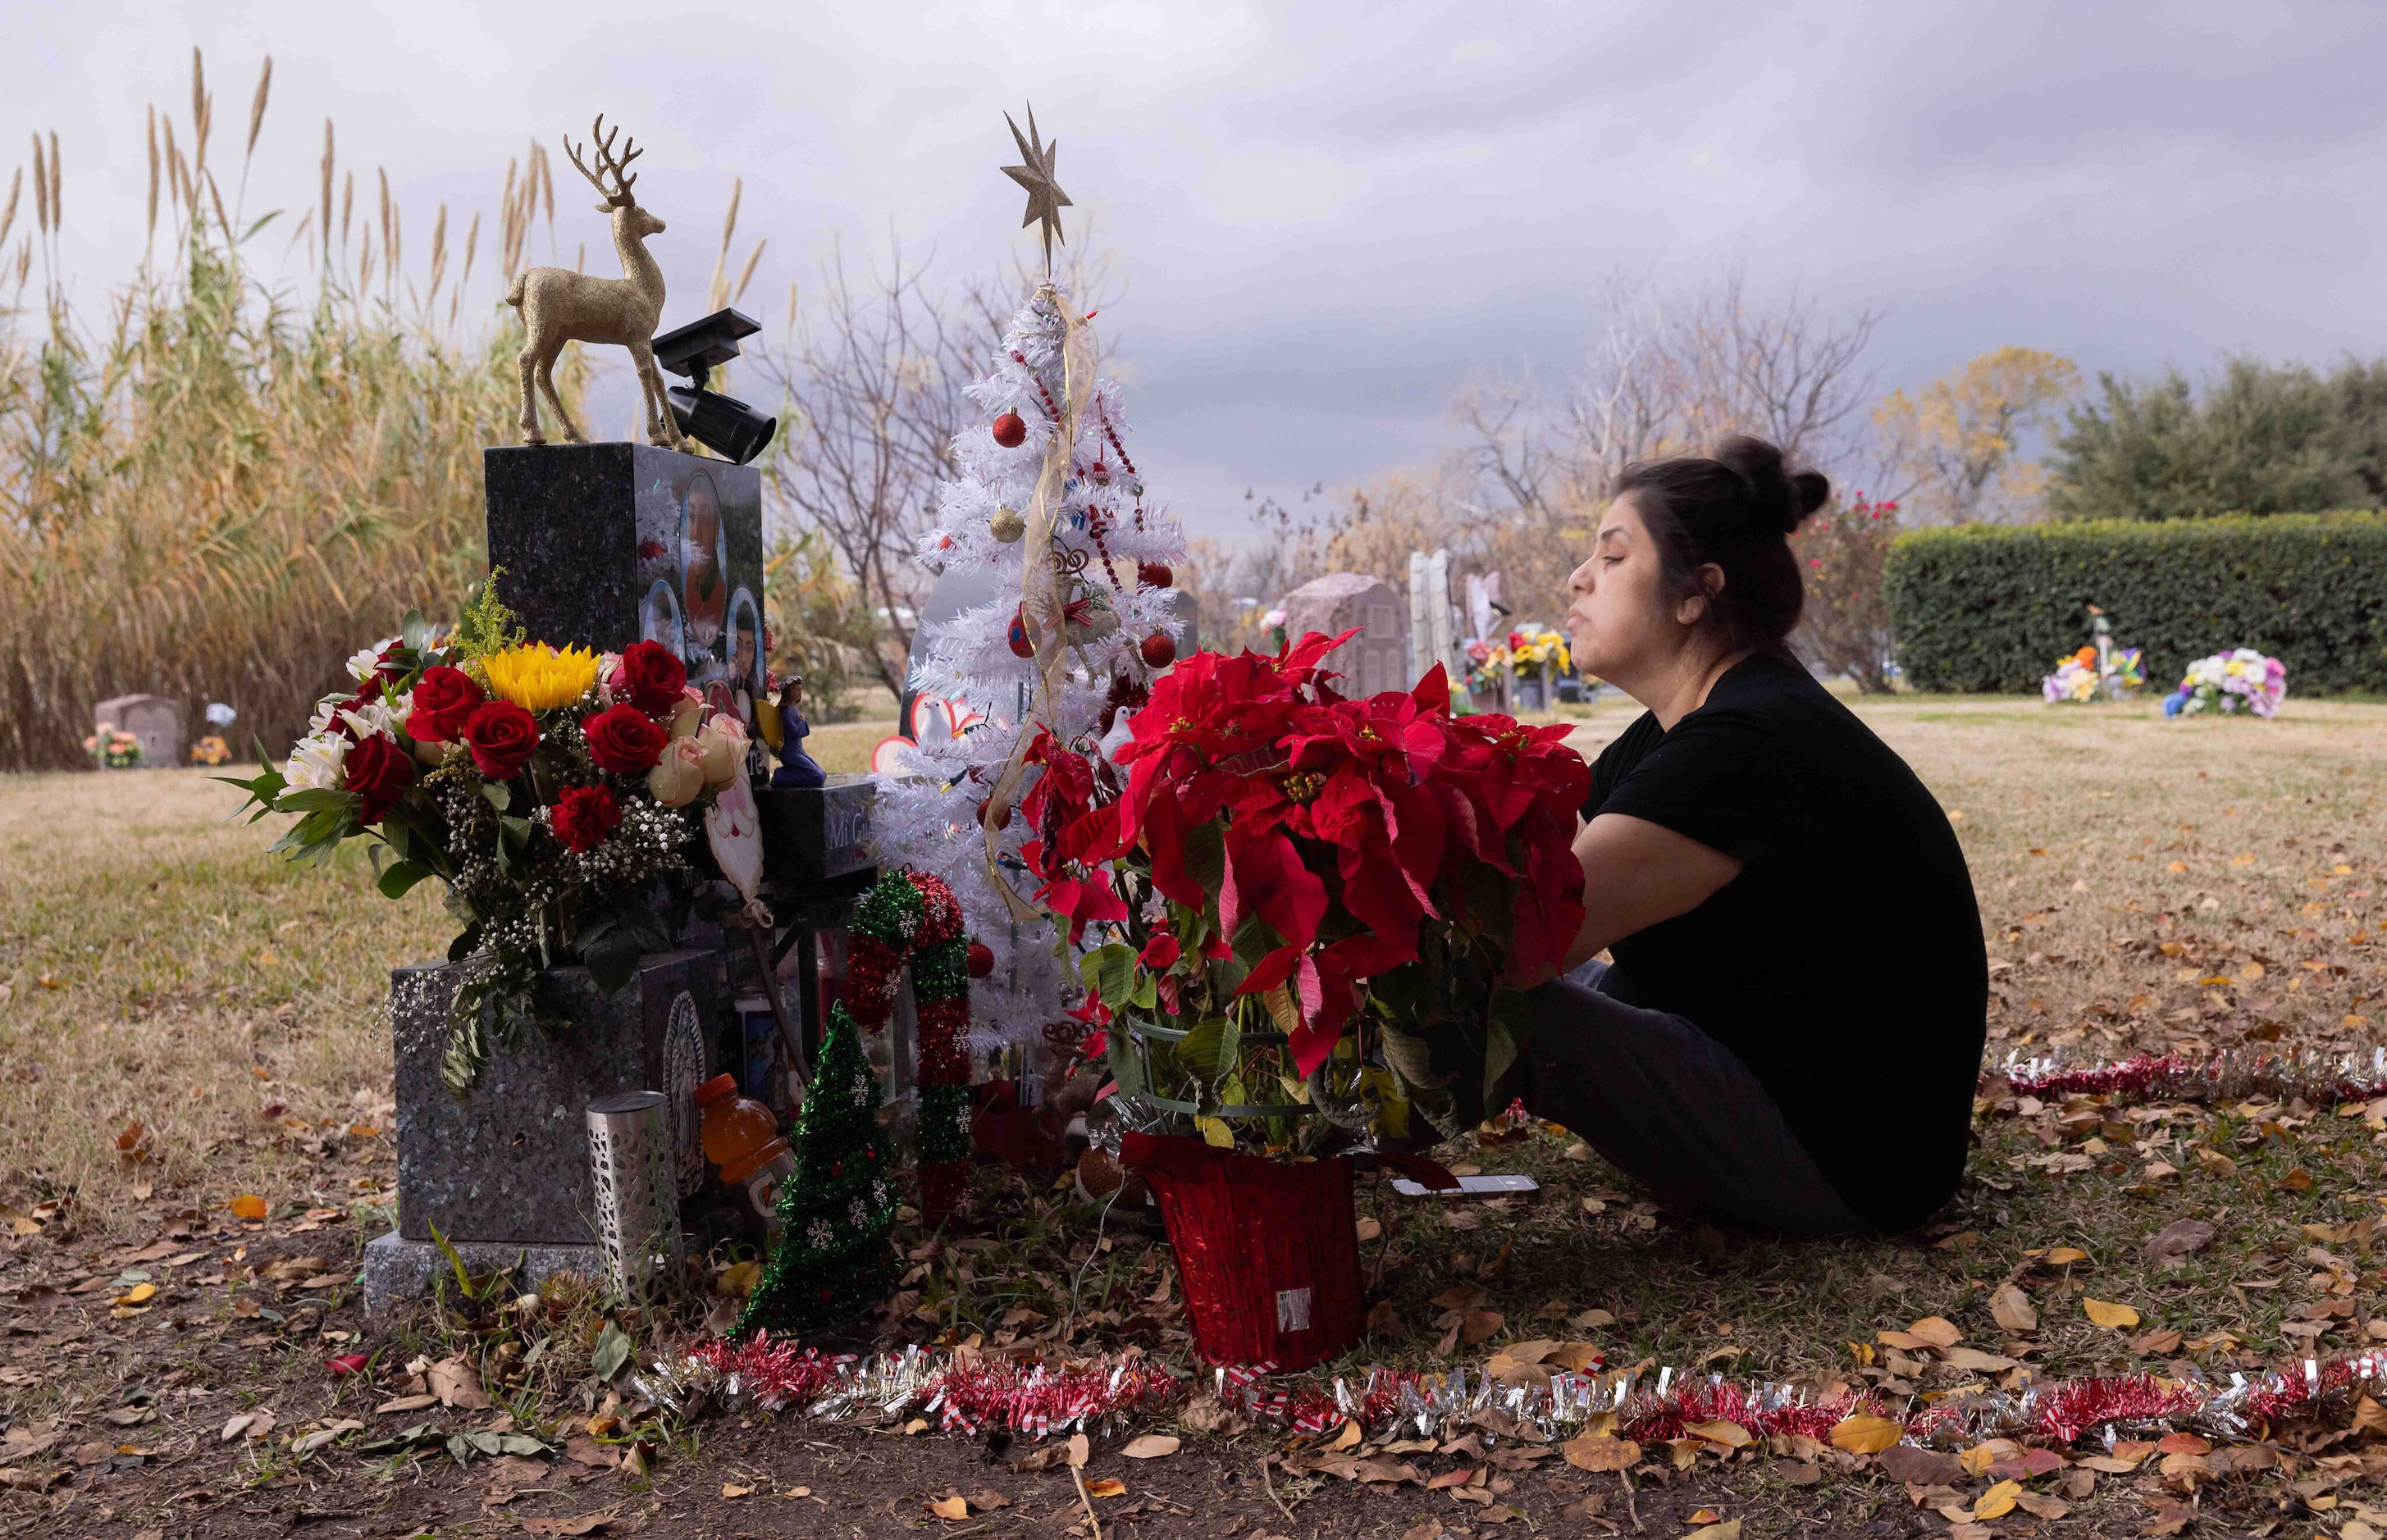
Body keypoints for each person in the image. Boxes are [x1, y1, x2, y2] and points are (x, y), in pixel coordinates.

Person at [1512, 435, 1984, 1235]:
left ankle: (1304, 1150)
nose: (1578, 577)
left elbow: (1521, 941)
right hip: (1762, 1066)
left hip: (1848, 1162)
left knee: (1510, 1011)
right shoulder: (1682, 728)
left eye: (1614, 556)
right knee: (1555, 991)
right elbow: (1535, 857)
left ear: (1697, 594)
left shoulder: (1748, 744)